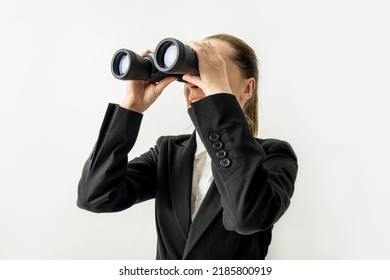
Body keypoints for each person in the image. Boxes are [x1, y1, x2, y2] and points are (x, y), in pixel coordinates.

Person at [77, 34, 298, 260]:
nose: (196, 80)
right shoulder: (169, 151)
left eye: (213, 69)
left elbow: (247, 217)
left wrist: (217, 97)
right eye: (193, 70)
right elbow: (96, 196)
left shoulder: (274, 155)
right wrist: (130, 108)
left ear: (247, 88)